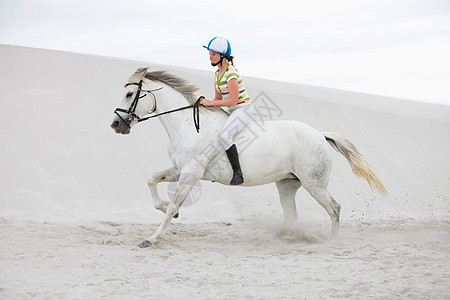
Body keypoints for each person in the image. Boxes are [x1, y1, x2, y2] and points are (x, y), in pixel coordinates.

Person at [200, 37, 253, 185]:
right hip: (231, 110)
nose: (210, 57)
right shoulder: (217, 74)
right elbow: (218, 98)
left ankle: (238, 174)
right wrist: (206, 105)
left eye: (213, 55)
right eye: (209, 54)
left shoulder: (231, 73)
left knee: (224, 136)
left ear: (222, 56)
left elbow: (233, 101)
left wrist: (211, 103)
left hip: (243, 108)